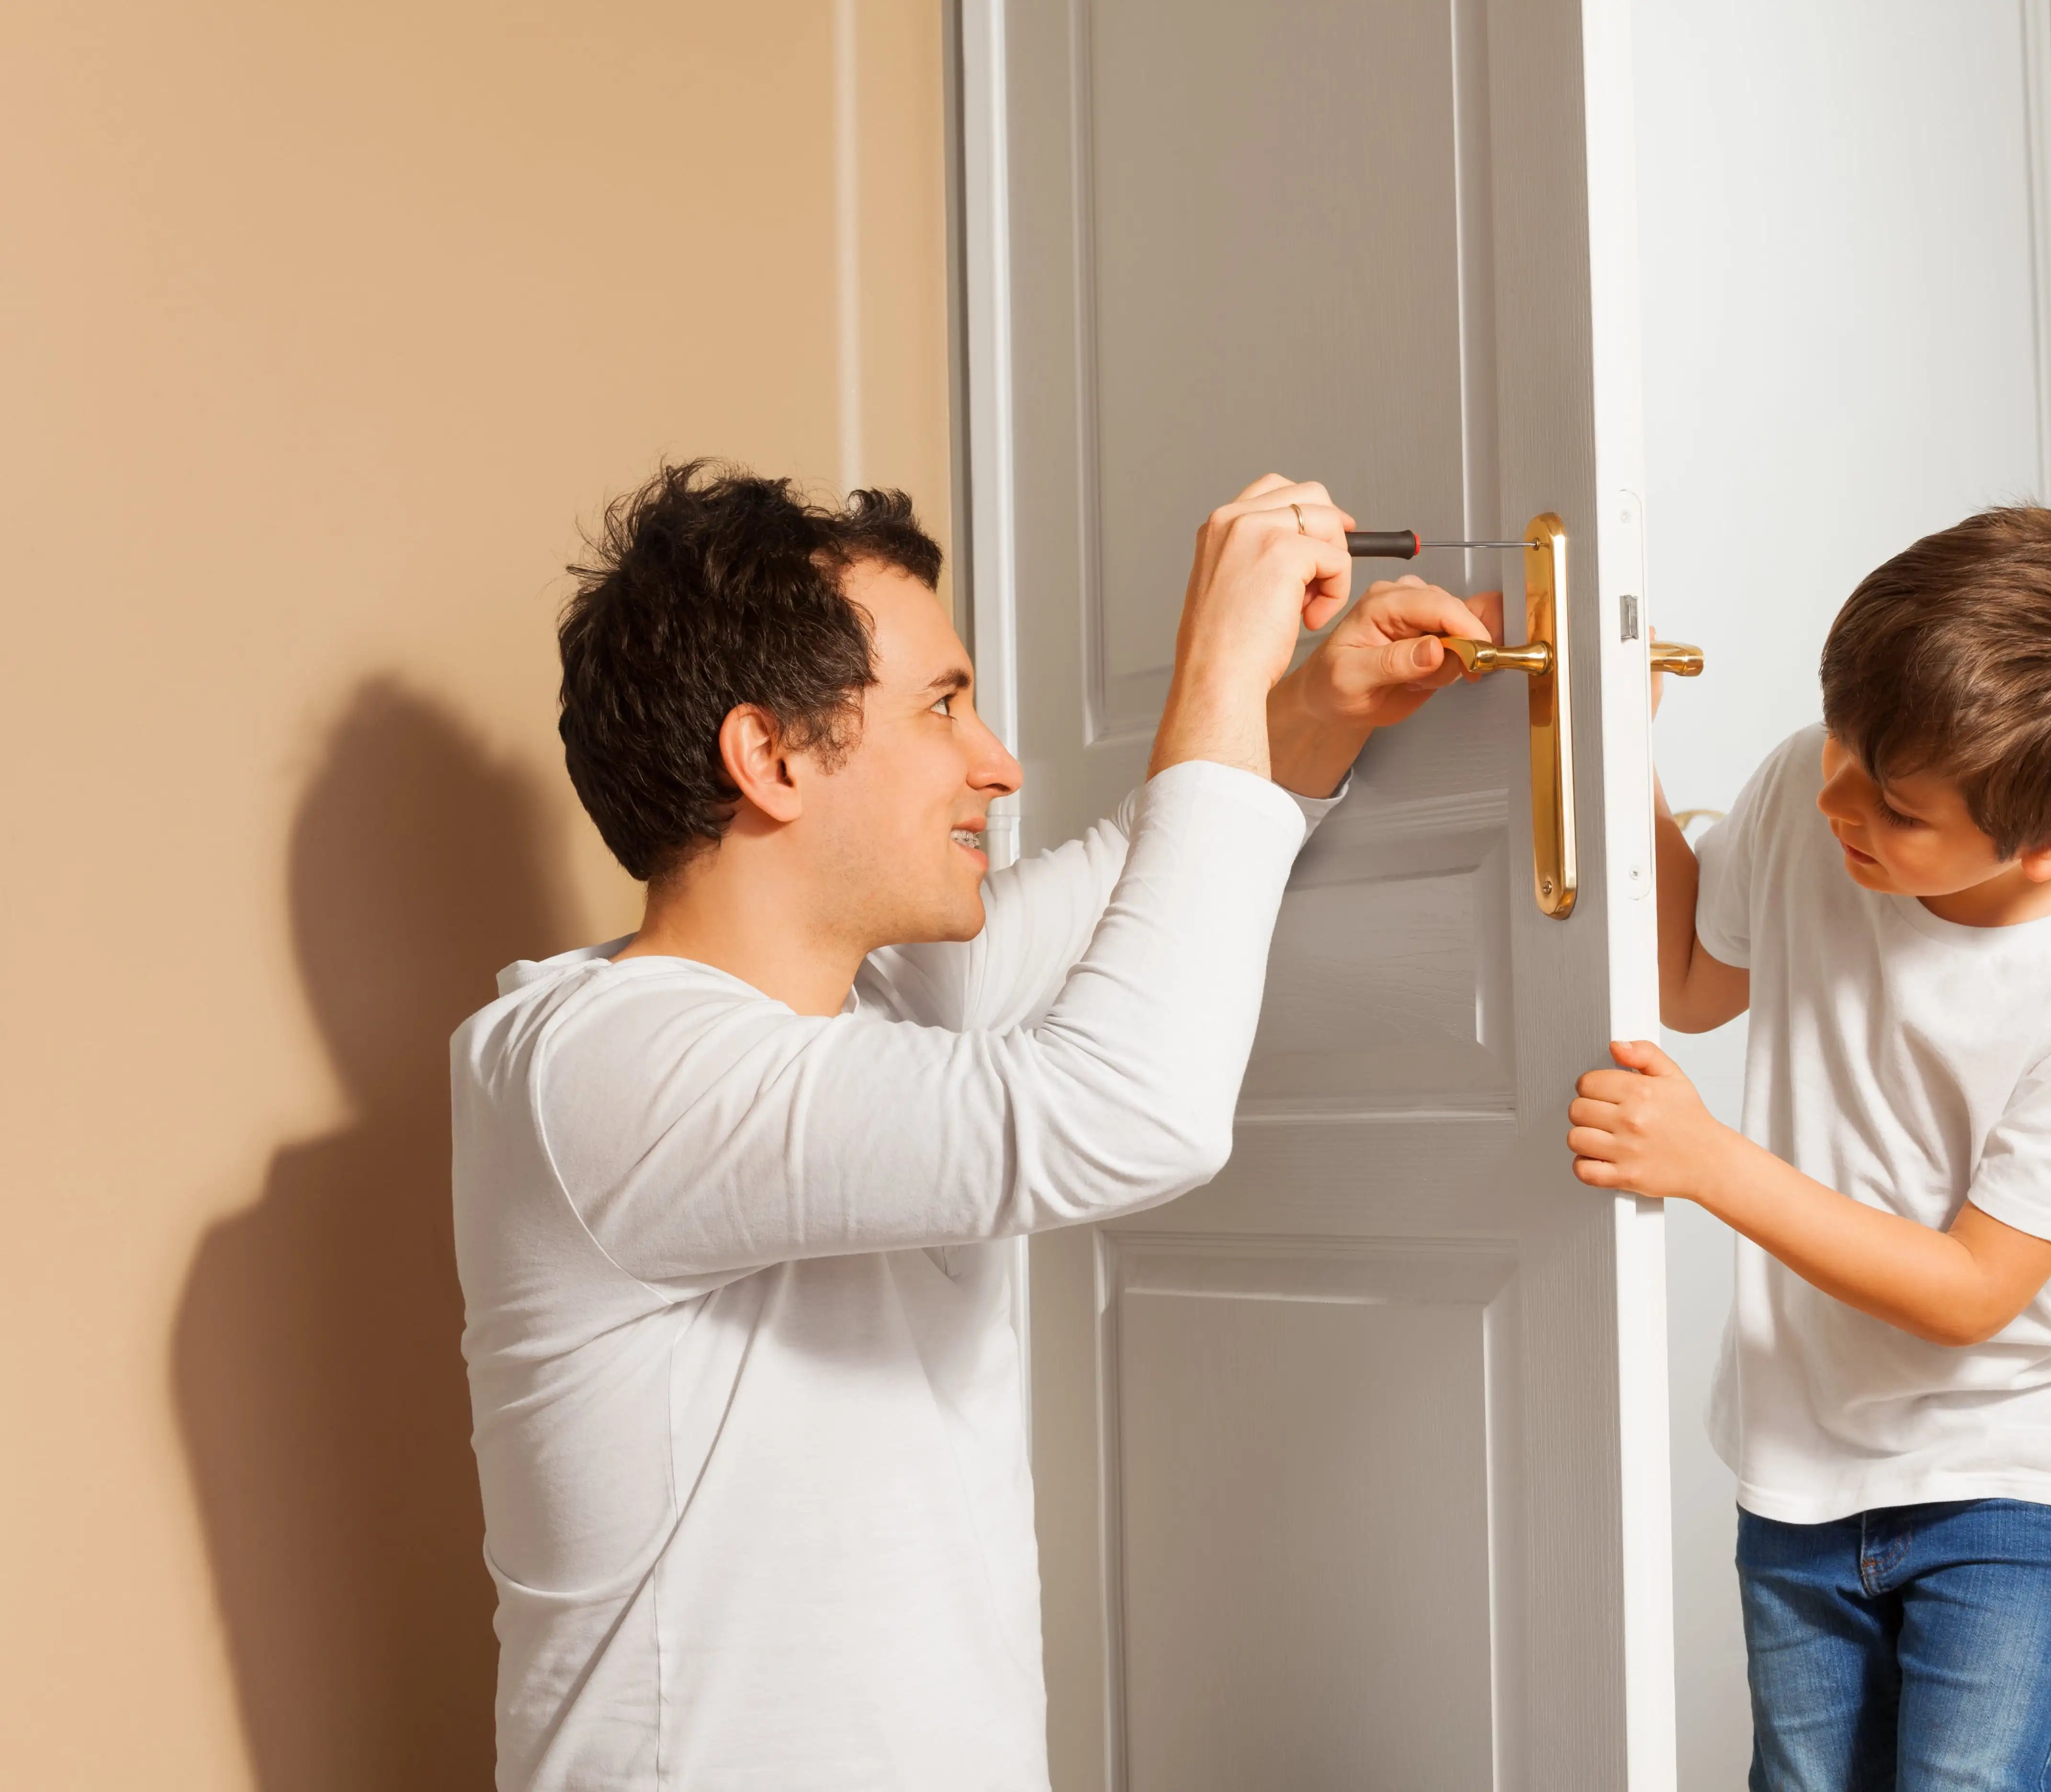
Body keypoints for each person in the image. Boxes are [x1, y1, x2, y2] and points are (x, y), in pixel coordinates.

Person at [450, 462, 1498, 1789]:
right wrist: (1218, 660)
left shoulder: (882, 999)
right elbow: (1131, 1111)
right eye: (944, 707)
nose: (997, 764)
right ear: (769, 755)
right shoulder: (601, 1071)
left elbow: (1147, 886)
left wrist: (1302, 707)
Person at [1564, 507, 2051, 1791]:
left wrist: (1708, 1160)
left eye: (1895, 808)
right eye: (1844, 747)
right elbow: (1690, 982)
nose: (1837, 798)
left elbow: (1971, 1294)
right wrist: (1615, 749)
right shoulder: (1820, 785)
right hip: (1801, 1446)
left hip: (2010, 1470)